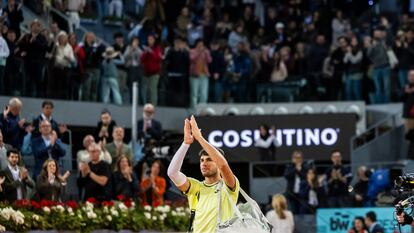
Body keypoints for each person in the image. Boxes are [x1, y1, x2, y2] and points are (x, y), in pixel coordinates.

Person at [167, 116, 239, 233]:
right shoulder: (196, 187)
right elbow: (172, 173)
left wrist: (200, 138)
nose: (204, 163)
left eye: (209, 160)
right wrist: (185, 144)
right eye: (202, 160)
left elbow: (223, 166)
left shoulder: (228, 187)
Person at [189, 39, 212, 108]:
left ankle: (202, 109)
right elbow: (192, 59)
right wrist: (199, 52)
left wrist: (206, 53)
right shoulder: (192, 51)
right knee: (194, 94)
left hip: (204, 75)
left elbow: (210, 61)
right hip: (194, 75)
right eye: (199, 44)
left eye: (202, 44)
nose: (200, 46)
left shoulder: (206, 52)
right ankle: (194, 109)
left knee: (204, 94)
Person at [140, 34, 162, 105]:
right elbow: (142, 59)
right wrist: (146, 52)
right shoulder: (146, 48)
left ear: (154, 40)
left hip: (154, 73)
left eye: (151, 39)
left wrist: (151, 52)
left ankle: (153, 105)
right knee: (145, 90)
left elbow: (158, 58)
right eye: (148, 39)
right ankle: (145, 104)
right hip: (146, 72)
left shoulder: (157, 49)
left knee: (152, 90)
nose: (150, 41)